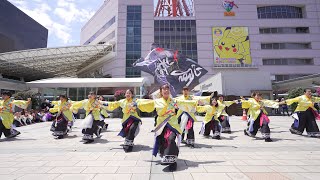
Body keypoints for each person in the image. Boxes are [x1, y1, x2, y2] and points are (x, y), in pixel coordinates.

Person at [150, 84, 197, 171]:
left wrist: (196, 102)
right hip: (161, 125)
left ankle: (172, 160)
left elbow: (186, 103)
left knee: (171, 138)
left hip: (172, 124)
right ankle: (167, 156)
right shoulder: (156, 101)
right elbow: (145, 103)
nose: (166, 91)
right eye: (164, 89)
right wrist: (136, 103)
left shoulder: (174, 101)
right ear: (161, 91)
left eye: (167, 89)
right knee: (163, 140)